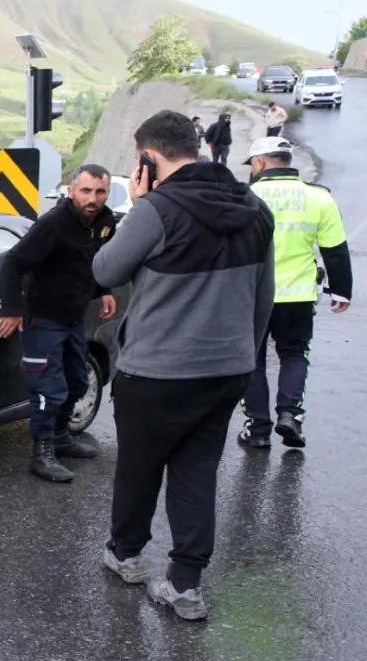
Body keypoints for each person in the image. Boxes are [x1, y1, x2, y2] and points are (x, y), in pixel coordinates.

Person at [92, 110, 274, 621]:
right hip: (226, 370)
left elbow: (105, 269)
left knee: (139, 466)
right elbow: (265, 295)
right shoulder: (255, 207)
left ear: (148, 158)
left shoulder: (157, 210)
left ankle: (126, 555)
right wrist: (244, 356)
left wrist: (140, 204)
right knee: (197, 473)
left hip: (156, 371)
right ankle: (185, 586)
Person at [0, 164, 118, 483]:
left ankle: (61, 437)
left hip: (73, 318)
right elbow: (13, 263)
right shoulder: (53, 224)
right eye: (86, 191)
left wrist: (103, 291)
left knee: (79, 381)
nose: (93, 198)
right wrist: (11, 308)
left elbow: (97, 258)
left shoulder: (105, 222)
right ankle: (42, 453)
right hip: (42, 319)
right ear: (71, 191)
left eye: (100, 192)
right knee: (50, 388)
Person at [239, 136, 352, 449]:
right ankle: (290, 415)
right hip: (298, 296)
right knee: (294, 355)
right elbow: (336, 250)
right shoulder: (319, 198)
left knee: (252, 361)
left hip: (252, 296)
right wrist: (341, 291)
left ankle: (257, 428)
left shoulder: (246, 197)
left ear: (260, 163)